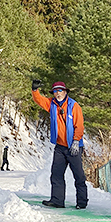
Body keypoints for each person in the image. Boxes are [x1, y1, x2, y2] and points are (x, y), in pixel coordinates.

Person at [31, 80, 88, 209]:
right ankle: (57, 200)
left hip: (74, 146)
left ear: (65, 91)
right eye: (55, 91)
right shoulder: (52, 104)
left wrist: (75, 141)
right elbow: (39, 100)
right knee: (56, 174)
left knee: (78, 175)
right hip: (60, 147)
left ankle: (82, 202)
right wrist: (35, 90)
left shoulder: (74, 106)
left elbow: (79, 126)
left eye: (60, 90)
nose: (58, 93)